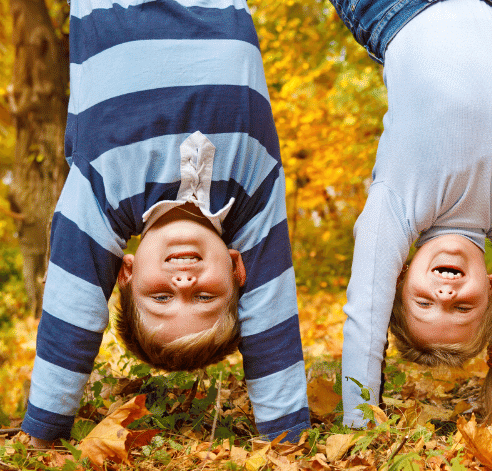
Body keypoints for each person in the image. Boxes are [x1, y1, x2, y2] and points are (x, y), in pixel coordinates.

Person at [21, 0, 310, 445]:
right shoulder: (253, 191)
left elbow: (71, 309)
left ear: (127, 272)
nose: (183, 281)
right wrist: (287, 436)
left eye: (160, 296)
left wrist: (42, 433)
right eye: (204, 295)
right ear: (237, 269)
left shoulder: (101, 193)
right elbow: (271, 320)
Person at [335, 0, 492, 427]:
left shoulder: (396, 207)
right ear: (490, 289)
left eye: (423, 303)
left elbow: (365, 316)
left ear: (401, 271)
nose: (444, 297)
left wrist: (359, 427)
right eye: (461, 310)